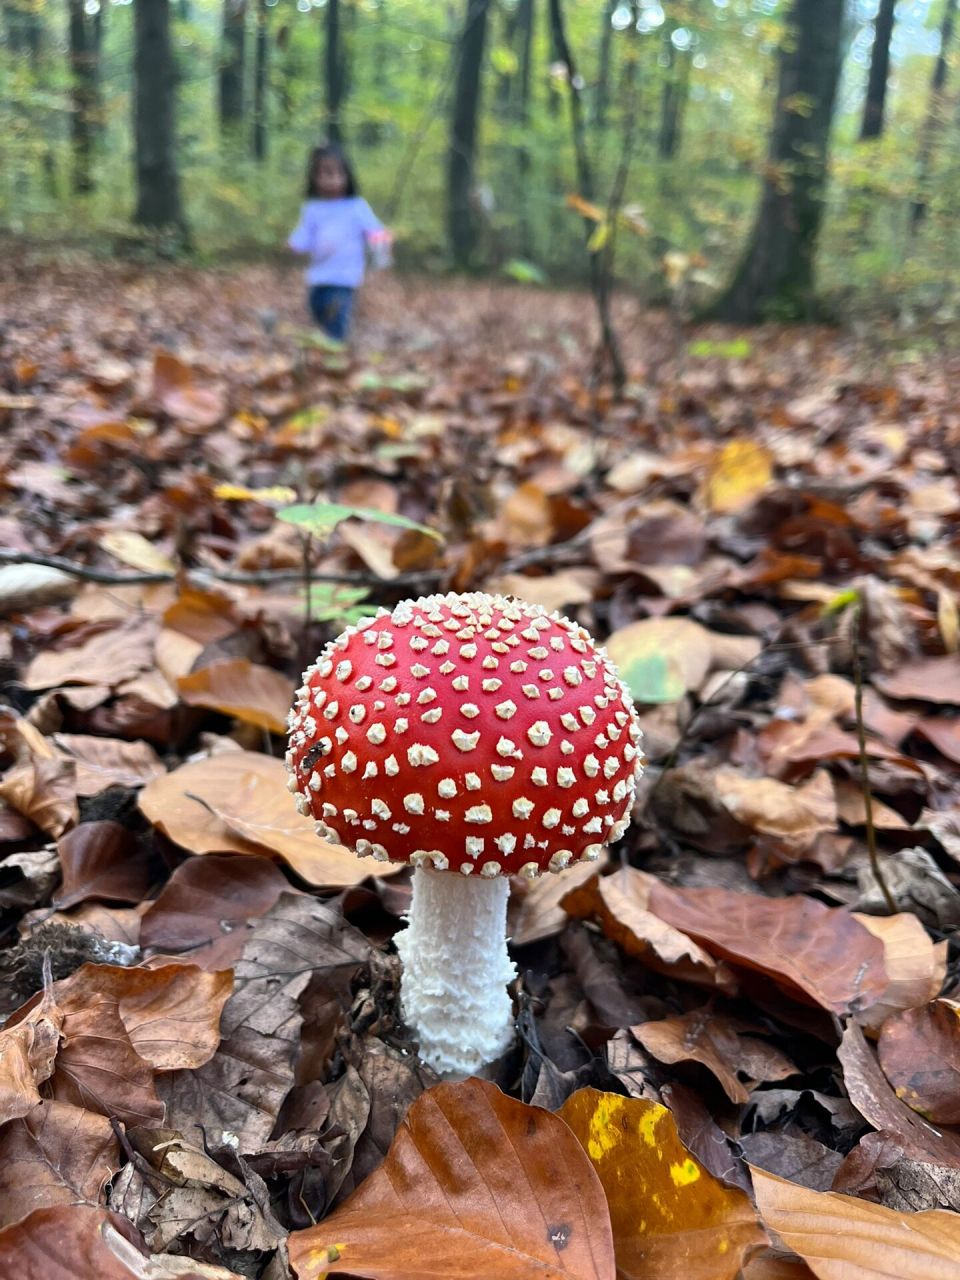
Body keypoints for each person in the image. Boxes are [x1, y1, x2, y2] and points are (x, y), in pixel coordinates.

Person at [288, 144, 391, 342]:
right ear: (314, 177)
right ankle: (327, 347)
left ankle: (336, 354)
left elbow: (374, 229)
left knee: (336, 318)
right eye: (325, 174)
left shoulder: (356, 207)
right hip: (318, 276)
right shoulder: (312, 208)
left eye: (337, 174)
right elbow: (305, 234)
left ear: (347, 177)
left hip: (344, 276)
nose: (332, 180)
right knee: (317, 309)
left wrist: (381, 241)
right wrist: (294, 244)